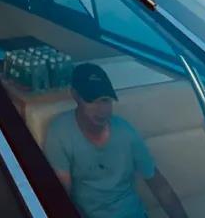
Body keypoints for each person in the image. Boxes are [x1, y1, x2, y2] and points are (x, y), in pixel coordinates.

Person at [45, 63, 189, 218]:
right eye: (92, 100)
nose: (101, 109)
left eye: (106, 100)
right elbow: (61, 197)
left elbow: (159, 186)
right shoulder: (60, 132)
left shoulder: (126, 132)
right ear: (75, 95)